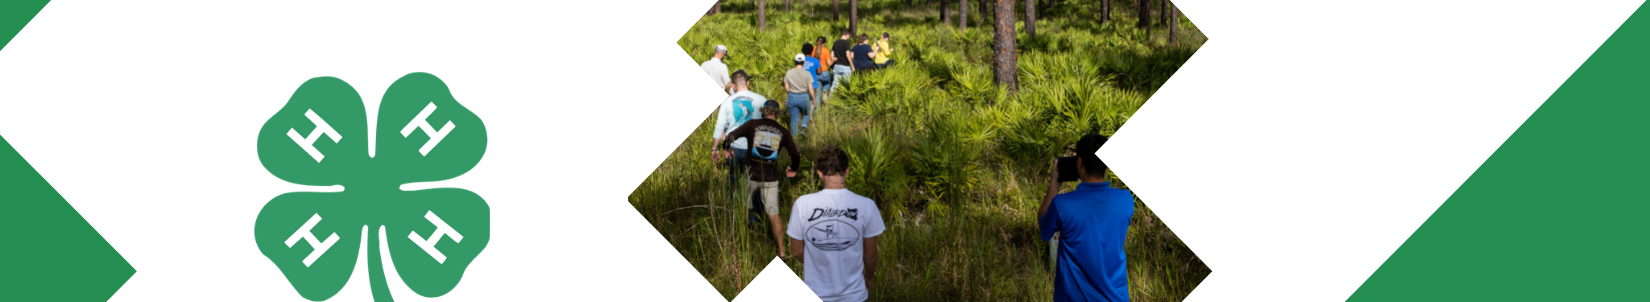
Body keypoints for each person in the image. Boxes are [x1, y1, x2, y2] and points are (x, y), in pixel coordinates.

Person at [1038, 134, 1134, 302]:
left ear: (1080, 162)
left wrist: (1055, 182)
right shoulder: (1126, 200)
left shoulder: (1062, 205)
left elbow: (1044, 228)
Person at [788, 145, 883, 302]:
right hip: (855, 295)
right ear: (847, 170)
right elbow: (871, 254)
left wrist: (816, 263)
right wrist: (869, 277)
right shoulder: (867, 205)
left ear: (819, 173)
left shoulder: (802, 204)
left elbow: (797, 251)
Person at [721, 101, 801, 258]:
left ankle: (740, 245)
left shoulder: (753, 124)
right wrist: (794, 168)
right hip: (770, 178)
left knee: (744, 207)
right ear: (777, 114)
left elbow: (730, 136)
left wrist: (726, 148)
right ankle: (782, 252)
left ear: (763, 112)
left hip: (750, 175)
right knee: (773, 212)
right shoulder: (783, 131)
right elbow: (796, 154)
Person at [713, 70, 765, 189]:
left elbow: (719, 126)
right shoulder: (761, 99)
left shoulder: (727, 101)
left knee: (734, 178)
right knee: (753, 179)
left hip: (733, 147)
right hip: (754, 147)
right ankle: (751, 206)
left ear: (733, 86)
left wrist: (714, 148)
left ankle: (734, 205)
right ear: (747, 83)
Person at [784, 54, 818, 136]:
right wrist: (813, 99)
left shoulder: (789, 72)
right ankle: (803, 127)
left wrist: (790, 93)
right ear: (804, 62)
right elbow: (810, 88)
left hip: (792, 96)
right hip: (803, 96)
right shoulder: (807, 73)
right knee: (806, 114)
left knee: (794, 119)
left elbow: (786, 86)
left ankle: (795, 141)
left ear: (795, 61)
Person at [813, 36, 836, 102]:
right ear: (824, 43)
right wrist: (833, 60)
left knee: (817, 89)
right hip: (824, 72)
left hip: (816, 72)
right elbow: (829, 63)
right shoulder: (826, 50)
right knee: (827, 84)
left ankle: (818, 107)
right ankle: (825, 90)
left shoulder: (813, 49)